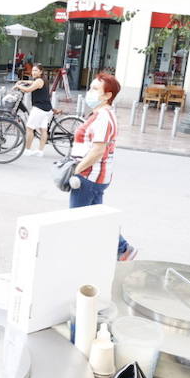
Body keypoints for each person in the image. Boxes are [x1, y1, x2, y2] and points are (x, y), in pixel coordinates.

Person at [67, 72, 136, 260]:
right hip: (95, 175)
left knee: (76, 220)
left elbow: (98, 150)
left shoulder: (104, 117)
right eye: (90, 87)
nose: (90, 92)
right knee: (97, 217)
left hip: (89, 176)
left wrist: (76, 169)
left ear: (107, 95)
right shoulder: (99, 114)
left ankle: (78, 255)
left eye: (95, 89)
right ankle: (122, 249)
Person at [16, 63, 52, 156]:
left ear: (40, 72)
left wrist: (18, 86)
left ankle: (27, 150)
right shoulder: (43, 80)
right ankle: (40, 151)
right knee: (43, 129)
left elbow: (28, 90)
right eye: (32, 70)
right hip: (47, 108)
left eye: (36, 70)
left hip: (39, 108)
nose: (33, 72)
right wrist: (23, 81)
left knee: (29, 128)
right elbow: (32, 83)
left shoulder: (39, 81)